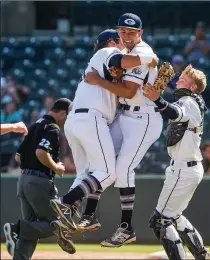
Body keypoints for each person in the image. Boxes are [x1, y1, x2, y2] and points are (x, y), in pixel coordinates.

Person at [49, 29, 158, 236]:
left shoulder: (100, 68)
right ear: (110, 41)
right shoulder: (106, 52)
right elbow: (120, 58)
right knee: (107, 173)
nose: (122, 45)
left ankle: (69, 220)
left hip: (75, 121)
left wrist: (115, 80)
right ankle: (65, 203)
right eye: (119, 41)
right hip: (91, 119)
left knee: (86, 174)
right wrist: (147, 58)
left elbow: (119, 87)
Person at [84, 14, 163, 247]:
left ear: (140, 33)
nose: (127, 36)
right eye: (123, 32)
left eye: (132, 32)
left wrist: (99, 81)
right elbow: (123, 92)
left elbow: (128, 92)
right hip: (126, 115)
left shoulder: (144, 52)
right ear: (118, 32)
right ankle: (88, 215)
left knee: (123, 169)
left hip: (144, 118)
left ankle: (127, 228)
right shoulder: (126, 55)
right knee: (100, 159)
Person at [143, 65, 210, 260]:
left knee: (160, 221)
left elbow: (175, 113)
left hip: (184, 169)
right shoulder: (190, 101)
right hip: (187, 167)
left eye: (183, 78)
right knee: (174, 217)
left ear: (193, 87)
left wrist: (157, 98)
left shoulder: (189, 101)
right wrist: (155, 97)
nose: (178, 79)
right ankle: (202, 255)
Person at [3, 98, 75, 260]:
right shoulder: (52, 128)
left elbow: (18, 157)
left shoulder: (35, 125)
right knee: (57, 224)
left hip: (23, 180)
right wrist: (56, 167)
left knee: (32, 227)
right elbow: (41, 153)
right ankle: (16, 229)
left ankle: (20, 254)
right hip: (39, 181)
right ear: (63, 113)